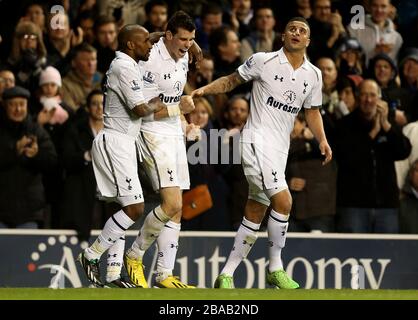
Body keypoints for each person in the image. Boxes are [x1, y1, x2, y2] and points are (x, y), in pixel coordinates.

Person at [192, 17, 332, 289]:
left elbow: (312, 112)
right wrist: (203, 90)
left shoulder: (314, 75)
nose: (296, 32)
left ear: (308, 41)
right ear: (283, 35)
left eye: (302, 30)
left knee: (256, 210)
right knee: (284, 201)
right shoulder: (262, 60)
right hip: (255, 141)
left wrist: (322, 140)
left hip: (279, 149)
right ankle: (275, 267)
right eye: (291, 28)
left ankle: (226, 274)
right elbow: (231, 81)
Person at [77, 24, 169, 288]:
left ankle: (113, 275)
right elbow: (140, 109)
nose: (150, 46)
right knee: (135, 208)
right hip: (116, 142)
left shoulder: (127, 62)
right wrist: (162, 102)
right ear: (131, 45)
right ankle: (92, 254)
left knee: (123, 209)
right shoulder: (124, 67)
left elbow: (144, 39)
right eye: (146, 42)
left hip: (124, 143)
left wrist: (163, 35)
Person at [124, 11, 197, 289]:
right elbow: (142, 112)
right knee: (172, 204)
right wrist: (181, 109)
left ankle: (164, 274)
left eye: (191, 39)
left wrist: (185, 122)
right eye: (182, 39)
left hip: (174, 133)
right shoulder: (149, 59)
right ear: (167, 36)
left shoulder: (185, 56)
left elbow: (172, 100)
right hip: (151, 134)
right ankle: (135, 254)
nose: (187, 45)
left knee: (176, 210)